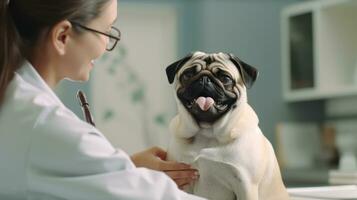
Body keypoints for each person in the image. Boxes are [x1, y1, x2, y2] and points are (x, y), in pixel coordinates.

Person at [0, 0, 205, 199]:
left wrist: (125, 169)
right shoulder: (44, 123)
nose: (107, 43)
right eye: (106, 30)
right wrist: (121, 175)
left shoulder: (16, 99)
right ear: (62, 36)